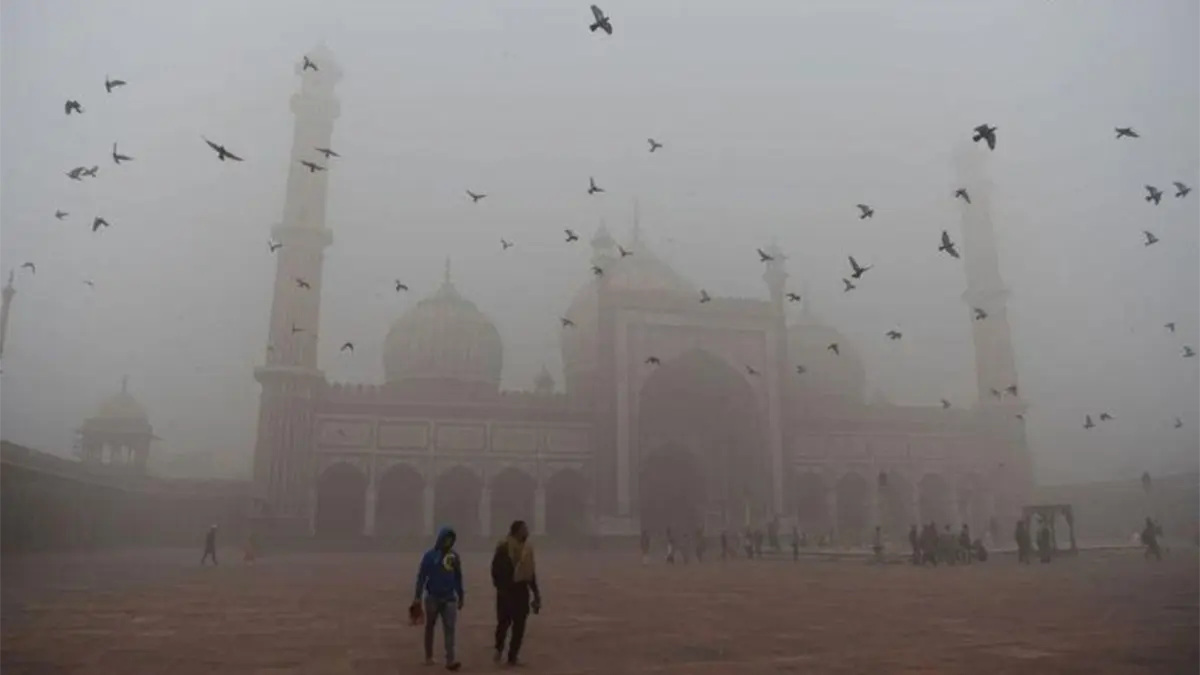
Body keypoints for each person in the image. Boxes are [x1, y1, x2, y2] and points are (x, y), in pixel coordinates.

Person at [412, 527, 464, 671]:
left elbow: (458, 577)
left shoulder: (454, 557)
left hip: (449, 598)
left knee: (450, 629)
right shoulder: (430, 556)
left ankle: (450, 659)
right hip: (432, 598)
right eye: (446, 538)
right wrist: (417, 597)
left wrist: (461, 596)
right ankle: (429, 655)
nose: (449, 541)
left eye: (451, 539)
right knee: (430, 627)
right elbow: (422, 577)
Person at [492, 520, 542, 667]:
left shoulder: (527, 549)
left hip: (521, 590)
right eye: (524, 529)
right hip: (505, 590)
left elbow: (530, 573)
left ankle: (512, 656)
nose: (527, 531)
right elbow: (496, 570)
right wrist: (501, 589)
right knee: (503, 622)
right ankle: (499, 647)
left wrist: (536, 594)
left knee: (520, 624)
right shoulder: (504, 547)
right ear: (516, 531)